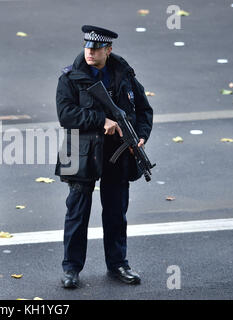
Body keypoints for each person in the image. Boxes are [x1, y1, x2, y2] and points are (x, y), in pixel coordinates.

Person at [55, 25, 153, 288]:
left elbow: (144, 110)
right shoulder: (70, 78)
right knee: (77, 212)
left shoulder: (125, 75)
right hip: (82, 151)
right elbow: (66, 115)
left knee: (116, 211)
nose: (90, 51)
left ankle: (118, 264)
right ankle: (71, 268)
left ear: (108, 50)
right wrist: (102, 120)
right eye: (87, 46)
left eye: (96, 48)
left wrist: (141, 135)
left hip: (117, 154)